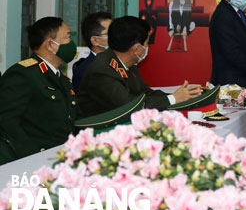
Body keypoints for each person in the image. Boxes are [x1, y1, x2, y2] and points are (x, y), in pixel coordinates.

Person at [77, 16, 202, 116]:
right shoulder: (103, 70)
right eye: (147, 43)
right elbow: (130, 105)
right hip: (98, 134)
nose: (147, 48)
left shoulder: (127, 64)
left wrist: (182, 96)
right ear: (137, 48)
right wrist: (173, 99)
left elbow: (144, 93)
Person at [0, 17, 79, 164]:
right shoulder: (23, 74)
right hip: (31, 162)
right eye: (68, 37)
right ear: (50, 45)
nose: (71, 44)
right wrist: (33, 158)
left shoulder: (62, 79)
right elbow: (7, 122)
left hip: (57, 160)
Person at [72, 12, 112, 92]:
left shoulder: (117, 63)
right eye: (109, 33)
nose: (116, 36)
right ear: (95, 40)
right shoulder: (86, 70)